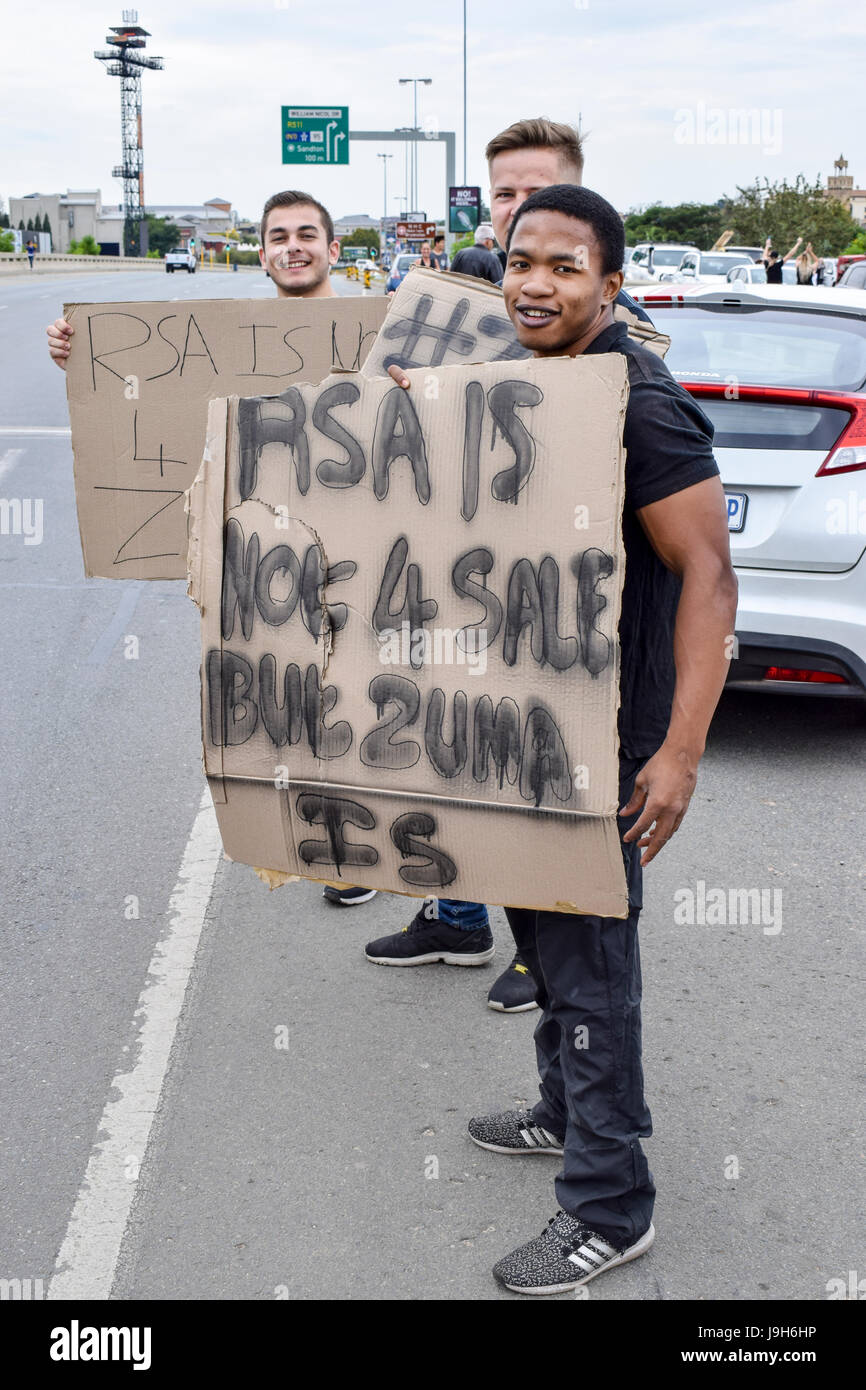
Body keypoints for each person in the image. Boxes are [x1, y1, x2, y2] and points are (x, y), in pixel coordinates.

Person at [389, 183, 737, 1294]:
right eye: (518, 261)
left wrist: (676, 750)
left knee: (590, 968)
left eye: (562, 267)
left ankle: (607, 1205)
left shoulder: (638, 404)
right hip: (519, 726)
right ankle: (556, 1110)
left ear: (609, 284)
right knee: (538, 938)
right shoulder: (534, 382)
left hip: (606, 739)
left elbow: (707, 576)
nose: (534, 283)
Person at [364, 117, 658, 1013]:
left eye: (539, 196)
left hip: (584, 673)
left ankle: (601, 1145)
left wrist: (678, 748)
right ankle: (474, 928)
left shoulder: (622, 355)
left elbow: (695, 559)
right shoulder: (447, 307)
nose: (519, 215)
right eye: (504, 198)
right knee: (511, 854)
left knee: (583, 924)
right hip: (485, 648)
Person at [46, 189, 377, 909]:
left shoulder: (377, 328)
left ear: (332, 249)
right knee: (297, 704)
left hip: (365, 555)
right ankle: (338, 844)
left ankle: (450, 896)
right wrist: (84, 355)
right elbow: (147, 403)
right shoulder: (229, 335)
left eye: (307, 235)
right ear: (262, 251)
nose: (293, 246)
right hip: (262, 561)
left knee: (375, 702)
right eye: (279, 235)